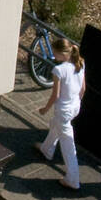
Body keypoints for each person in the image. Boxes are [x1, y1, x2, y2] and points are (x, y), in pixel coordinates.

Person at [38, 41, 85, 191]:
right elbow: (82, 89)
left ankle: (73, 179)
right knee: (56, 125)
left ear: (61, 53)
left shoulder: (58, 70)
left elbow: (55, 95)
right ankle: (47, 149)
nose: (53, 55)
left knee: (68, 146)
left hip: (63, 110)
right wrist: (75, 103)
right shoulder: (81, 64)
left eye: (54, 52)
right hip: (75, 107)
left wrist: (45, 109)